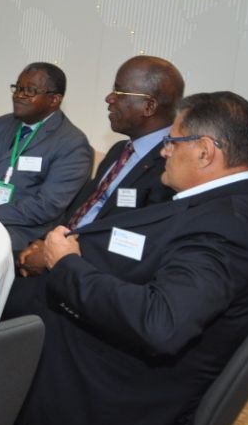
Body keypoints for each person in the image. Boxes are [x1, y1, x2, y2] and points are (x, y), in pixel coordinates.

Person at [4, 91, 248, 425]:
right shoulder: (227, 207)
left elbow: (160, 323)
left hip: (110, 412)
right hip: (119, 374)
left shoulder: (230, 228)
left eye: (172, 141)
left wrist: (67, 265)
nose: (163, 151)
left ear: (205, 151)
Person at [17, 56, 184, 275]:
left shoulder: (171, 168)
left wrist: (58, 258)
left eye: (119, 92)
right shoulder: (119, 150)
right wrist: (45, 243)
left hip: (86, 275)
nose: (109, 98)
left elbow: (135, 247)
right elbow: (79, 211)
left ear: (149, 106)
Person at [0, 62, 92, 252]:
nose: (19, 95)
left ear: (54, 100)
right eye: (18, 88)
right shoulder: (1, 124)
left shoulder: (72, 144)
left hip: (19, 231)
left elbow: (46, 205)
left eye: (30, 91)